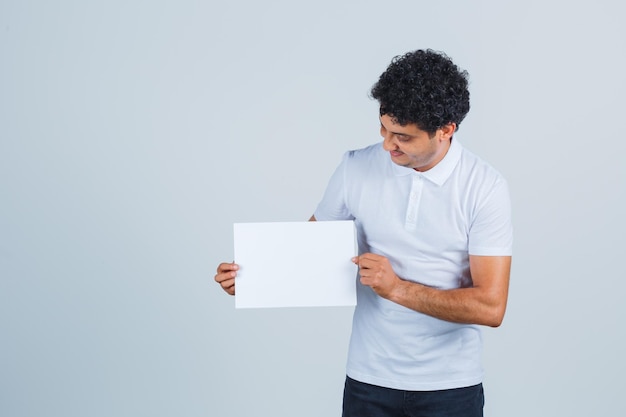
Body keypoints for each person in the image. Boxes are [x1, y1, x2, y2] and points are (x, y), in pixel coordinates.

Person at [215, 49, 512, 417]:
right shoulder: (355, 167)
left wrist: (396, 288)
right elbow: (306, 251)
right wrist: (253, 278)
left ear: (446, 130)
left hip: (450, 387)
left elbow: (491, 305)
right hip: (368, 381)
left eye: (402, 136)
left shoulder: (484, 187)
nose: (388, 144)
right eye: (383, 128)